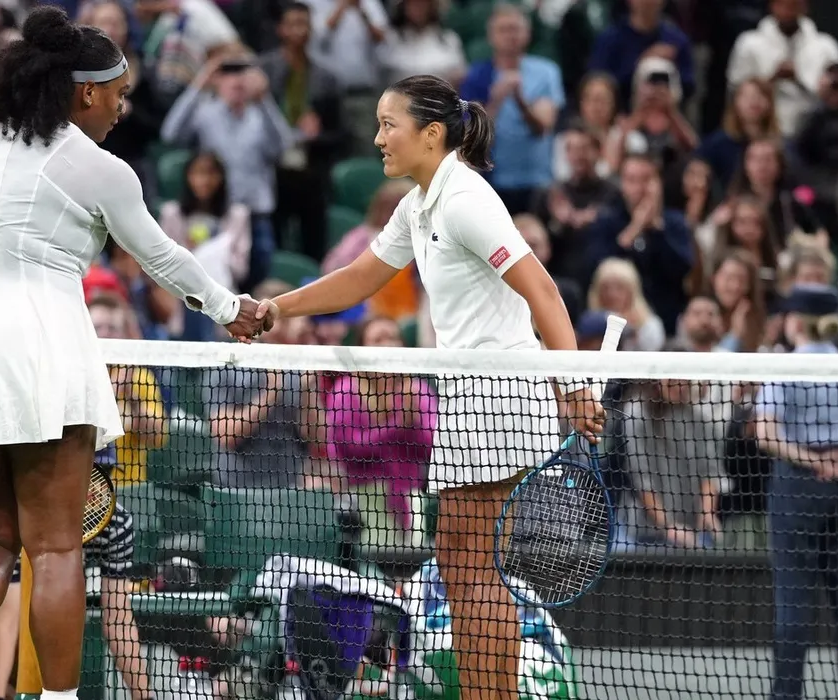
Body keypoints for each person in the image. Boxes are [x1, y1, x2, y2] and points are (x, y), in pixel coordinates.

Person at [0, 8, 263, 700]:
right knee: (56, 545)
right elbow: (160, 258)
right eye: (118, 95)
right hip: (42, 349)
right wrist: (228, 308)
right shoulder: (99, 168)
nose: (122, 109)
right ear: (85, 91)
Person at [253, 74, 605, 700]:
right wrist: (280, 307)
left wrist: (573, 386)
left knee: (475, 569)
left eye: (389, 125)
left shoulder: (466, 199)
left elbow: (544, 292)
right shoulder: (419, 204)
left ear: (432, 133)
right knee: (461, 563)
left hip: (502, 393)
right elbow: (361, 275)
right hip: (470, 396)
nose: (378, 137)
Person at [753, 284, 838, 700]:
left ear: (795, 321)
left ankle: (786, 695)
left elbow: (766, 434)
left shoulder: (784, 366)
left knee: (794, 600)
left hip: (798, 488)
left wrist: (811, 460)